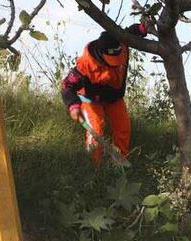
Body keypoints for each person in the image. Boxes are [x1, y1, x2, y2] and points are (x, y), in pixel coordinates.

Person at [60, 21, 151, 164]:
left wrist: (143, 28)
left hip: (114, 97)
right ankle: (94, 166)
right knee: (96, 130)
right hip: (90, 99)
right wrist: (73, 106)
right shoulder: (85, 65)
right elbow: (67, 85)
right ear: (101, 55)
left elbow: (130, 32)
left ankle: (120, 163)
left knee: (123, 128)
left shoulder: (121, 43)